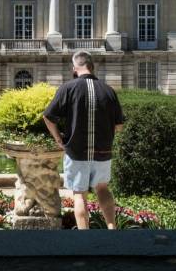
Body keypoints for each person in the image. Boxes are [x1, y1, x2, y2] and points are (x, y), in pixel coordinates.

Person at [43, 51, 124, 230]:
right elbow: (119, 126)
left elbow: (48, 117)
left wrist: (58, 139)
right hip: (103, 150)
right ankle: (112, 230)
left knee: (79, 194)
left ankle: (84, 237)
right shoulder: (108, 90)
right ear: (92, 66)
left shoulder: (68, 88)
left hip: (76, 150)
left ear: (74, 68)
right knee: (102, 189)